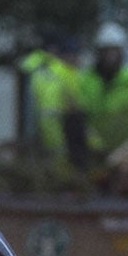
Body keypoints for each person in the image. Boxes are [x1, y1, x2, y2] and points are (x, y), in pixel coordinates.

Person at [76, 23, 128, 167]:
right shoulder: (85, 80)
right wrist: (95, 145)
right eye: (106, 51)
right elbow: (81, 118)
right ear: (98, 52)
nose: (111, 56)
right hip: (94, 155)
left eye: (115, 51)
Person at [19, 33, 86, 172]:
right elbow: (74, 105)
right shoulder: (61, 71)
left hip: (33, 136)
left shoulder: (30, 66)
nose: (76, 59)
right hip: (53, 139)